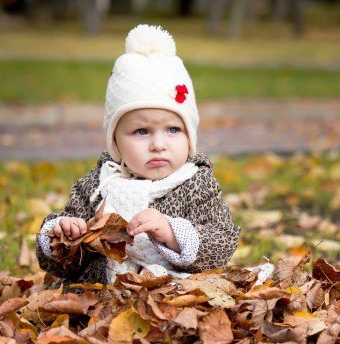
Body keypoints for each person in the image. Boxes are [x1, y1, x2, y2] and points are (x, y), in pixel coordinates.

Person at [35, 25, 242, 290]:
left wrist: (172, 233)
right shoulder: (98, 185)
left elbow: (221, 241)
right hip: (101, 294)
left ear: (190, 136)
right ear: (116, 142)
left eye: (173, 130)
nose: (158, 144)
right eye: (141, 131)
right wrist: (64, 236)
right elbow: (60, 264)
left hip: (173, 290)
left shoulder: (196, 183)